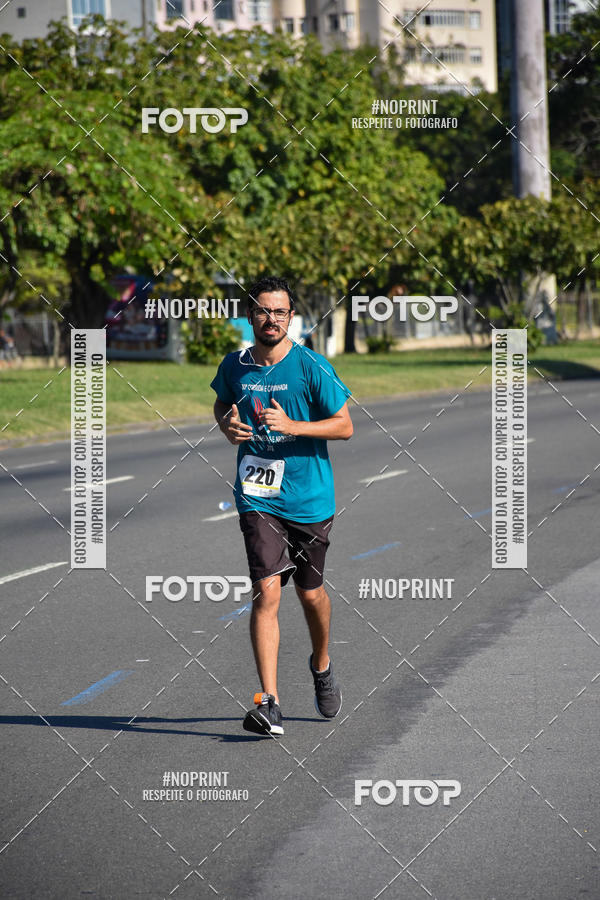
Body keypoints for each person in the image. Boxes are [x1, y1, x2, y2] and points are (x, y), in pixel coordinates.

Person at [211, 276, 353, 736]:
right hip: (257, 496)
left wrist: (294, 425)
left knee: (310, 594)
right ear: (249, 315)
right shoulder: (236, 365)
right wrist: (227, 427)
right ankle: (268, 701)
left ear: (291, 317)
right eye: (261, 311)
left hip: (309, 497)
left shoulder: (312, 366)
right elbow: (221, 405)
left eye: (279, 312)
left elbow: (345, 426)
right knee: (266, 591)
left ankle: (322, 662)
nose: (270, 319)